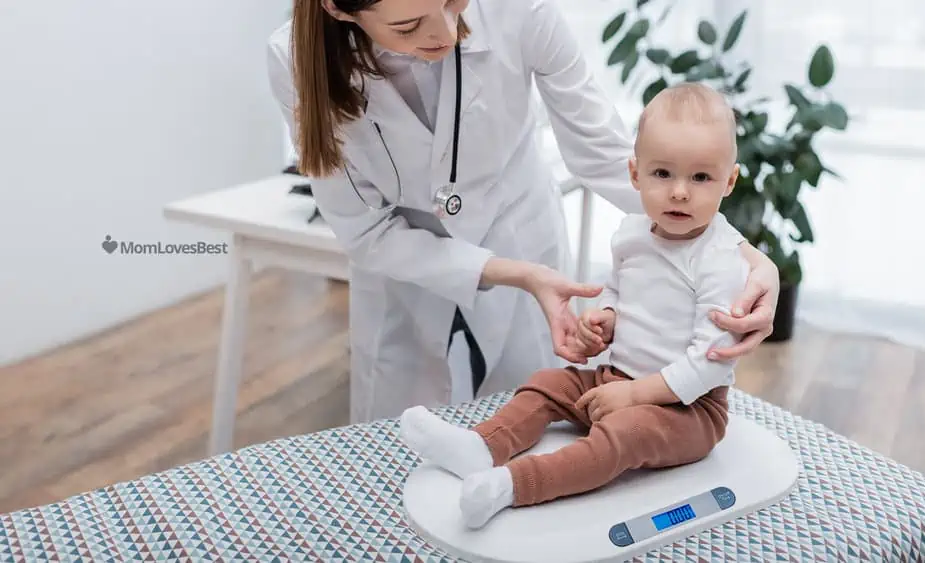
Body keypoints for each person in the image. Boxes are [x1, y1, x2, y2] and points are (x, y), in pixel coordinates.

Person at [266, 0, 780, 424]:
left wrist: (745, 257)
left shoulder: (519, 9)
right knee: (398, 445)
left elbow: (607, 155)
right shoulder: (294, 61)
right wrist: (519, 276)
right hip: (406, 272)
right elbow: (367, 232)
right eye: (407, 25)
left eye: (453, 1)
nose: (447, 31)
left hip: (517, 228)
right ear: (338, 9)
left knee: (531, 421)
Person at [399, 82, 749, 528]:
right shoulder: (632, 234)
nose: (680, 192)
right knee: (548, 383)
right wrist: (602, 319)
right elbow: (620, 295)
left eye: (701, 178)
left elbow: (711, 363)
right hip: (616, 378)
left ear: (729, 181)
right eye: (663, 174)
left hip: (690, 409)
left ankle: (513, 485)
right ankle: (481, 447)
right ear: (635, 174)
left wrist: (635, 396)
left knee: (624, 435)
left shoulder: (721, 261)